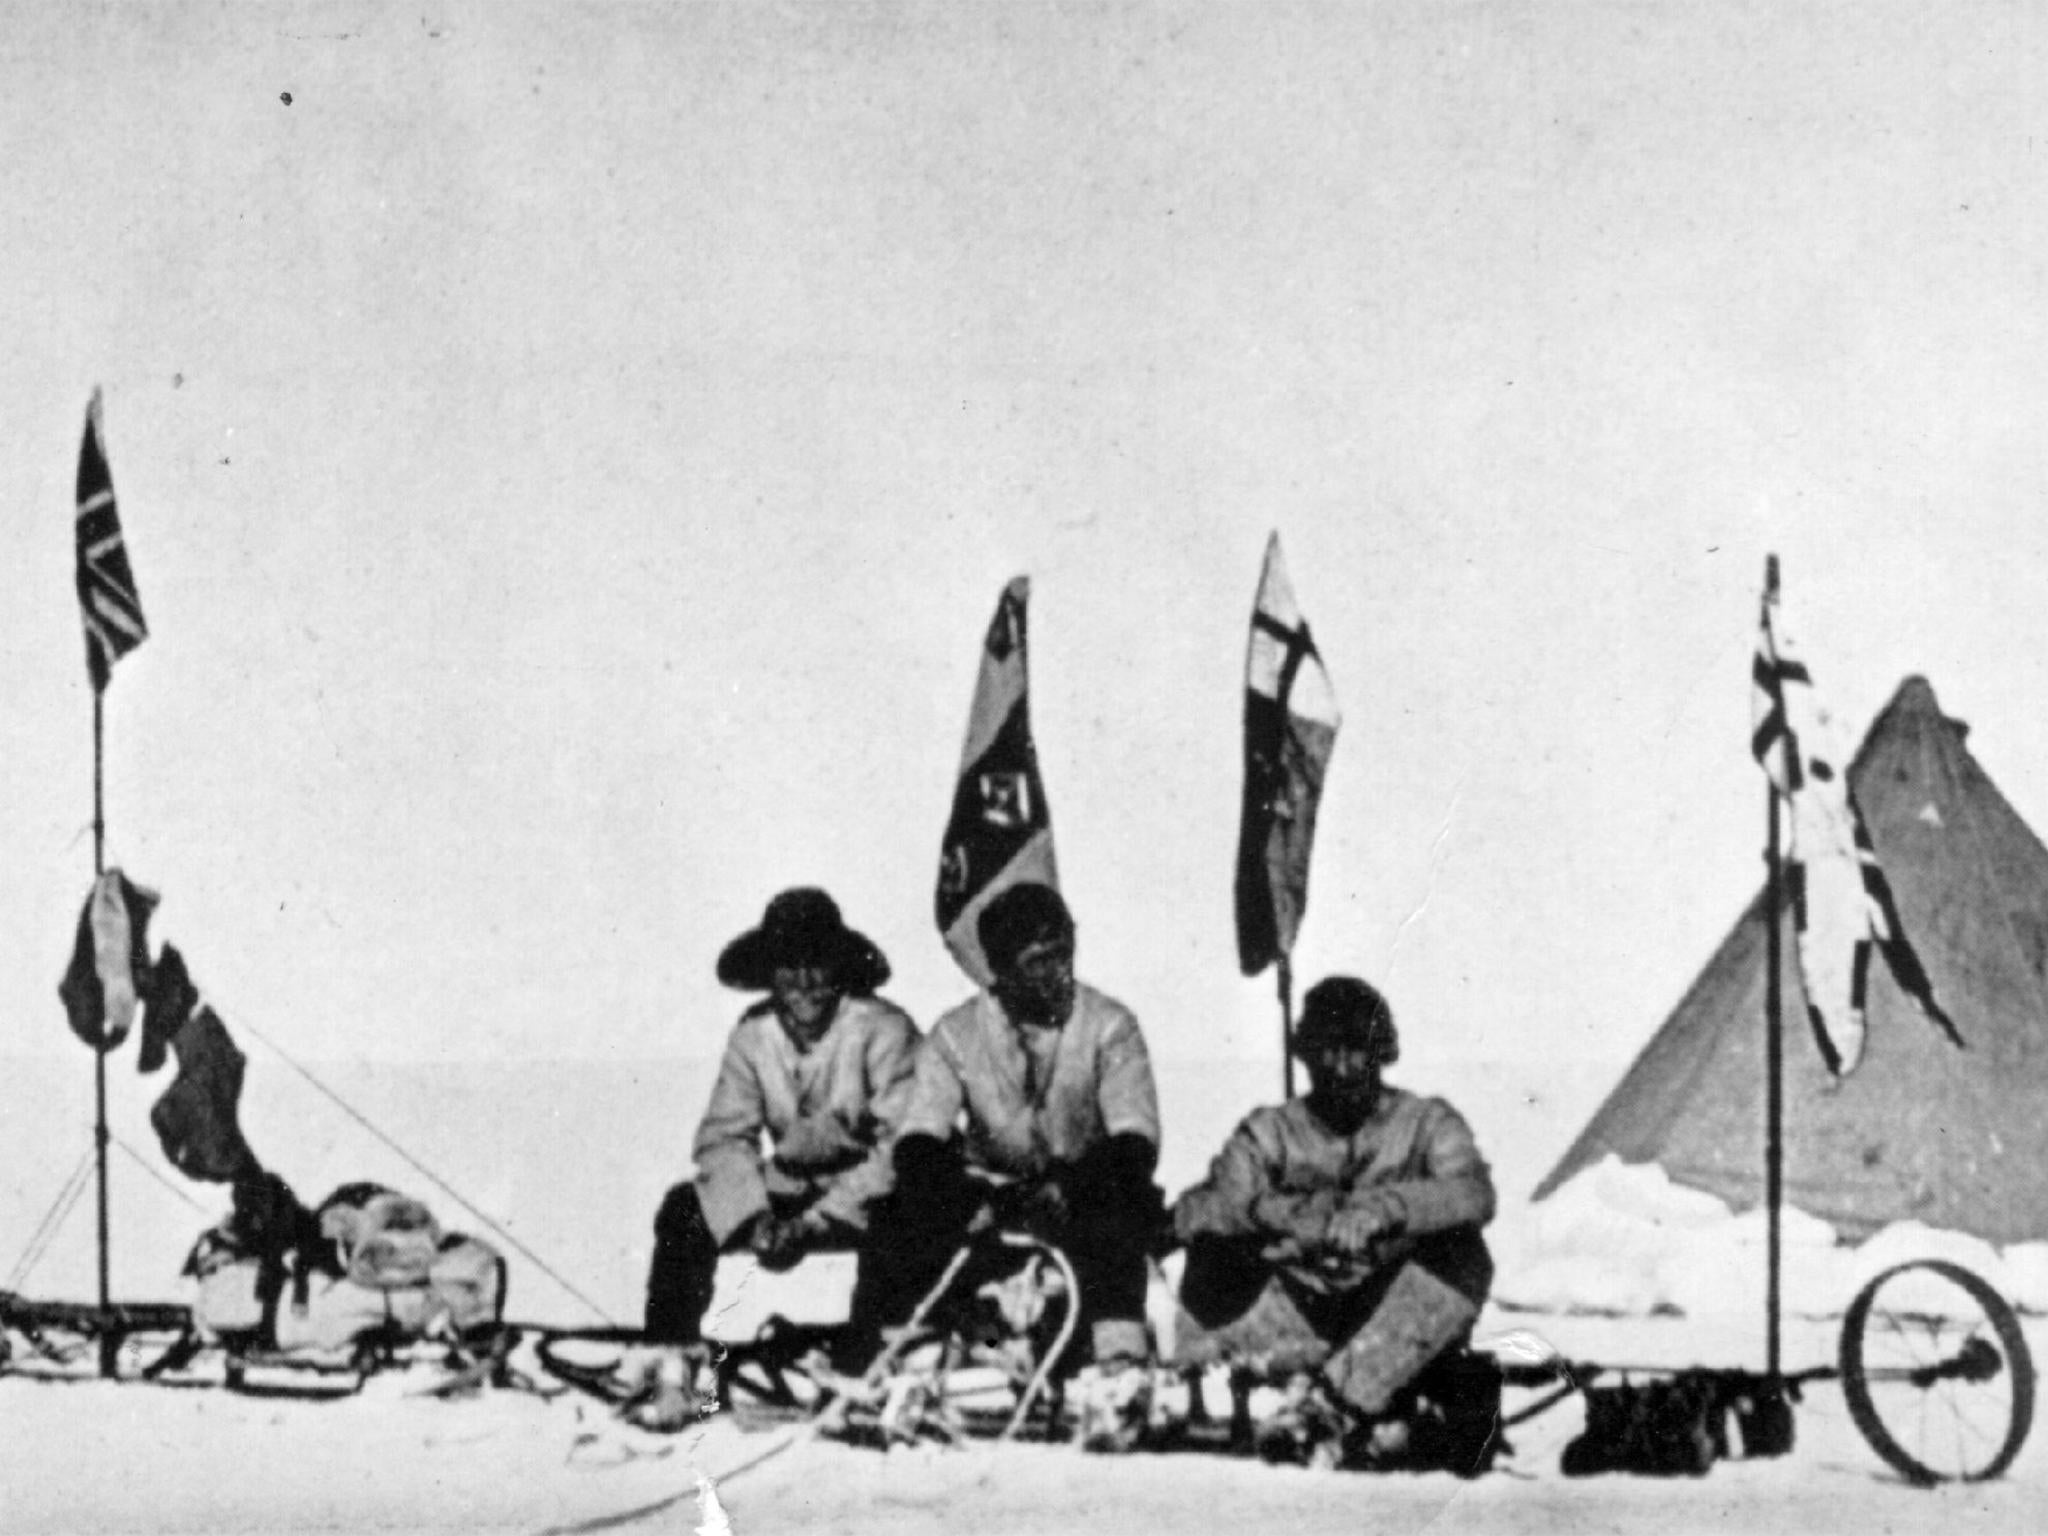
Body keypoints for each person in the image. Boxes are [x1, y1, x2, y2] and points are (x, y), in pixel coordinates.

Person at [876, 881, 1165, 1451]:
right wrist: (981, 1200)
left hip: (1084, 1191)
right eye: (1037, 962)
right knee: (899, 1210)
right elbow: (918, 1144)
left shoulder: (1110, 1025)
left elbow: (1135, 1140)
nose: (1057, 973)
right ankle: (913, 1368)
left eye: (1064, 953)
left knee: (1124, 1203)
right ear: (999, 971)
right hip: (994, 1197)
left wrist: (1072, 1184)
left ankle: (1118, 1372)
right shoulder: (955, 1036)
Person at [1166, 975, 1497, 1468]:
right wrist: (1292, 1219)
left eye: (1356, 1051)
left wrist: (1387, 1210)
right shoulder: (1268, 1132)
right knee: (1214, 1254)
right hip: (1293, 1309)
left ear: (1381, 1054)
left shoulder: (1426, 1122)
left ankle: (1338, 1403)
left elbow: (1473, 1193)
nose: (1341, 1069)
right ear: (1305, 1055)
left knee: (1464, 1252)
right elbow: (1204, 1207)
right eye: (1326, 1052)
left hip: (1385, 1313)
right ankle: (1245, 1392)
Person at [632, 887, 920, 1429]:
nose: (806, 983)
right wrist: (754, 1215)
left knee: (903, 1213)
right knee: (686, 1209)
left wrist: (817, 1221)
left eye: (819, 964)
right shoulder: (752, 1035)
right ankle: (671, 1362)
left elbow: (902, 1146)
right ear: (771, 973)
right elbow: (724, 1137)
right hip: (788, 1187)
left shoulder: (883, 1029)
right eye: (790, 966)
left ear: (841, 967)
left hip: (863, 1189)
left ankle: (865, 1367)